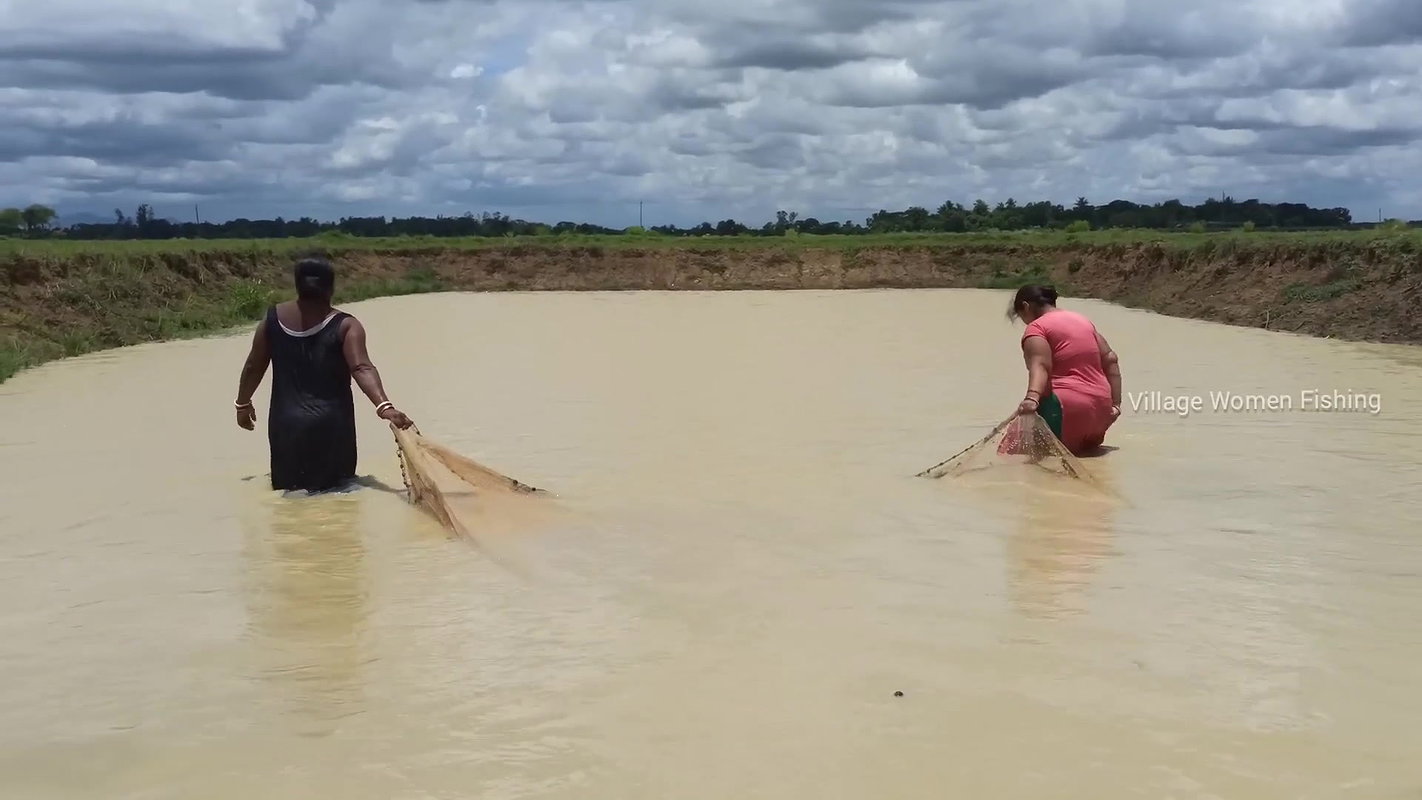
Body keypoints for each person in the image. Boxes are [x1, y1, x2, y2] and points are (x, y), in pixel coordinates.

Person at [234, 257, 414, 493]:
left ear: (297, 286)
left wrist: (242, 404)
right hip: (331, 426)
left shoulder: (271, 320)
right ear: (331, 288)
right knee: (339, 495)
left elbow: (253, 366)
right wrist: (384, 406)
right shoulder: (347, 325)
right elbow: (361, 367)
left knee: (289, 495)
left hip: (286, 426)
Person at [1007, 284, 1121, 455]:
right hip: (1101, 410)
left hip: (1065, 409)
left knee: (1018, 456)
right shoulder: (1083, 321)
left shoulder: (1037, 328)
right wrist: (1116, 405)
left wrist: (1032, 397)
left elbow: (1041, 365)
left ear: (1025, 306)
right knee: (1086, 460)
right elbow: (1111, 360)